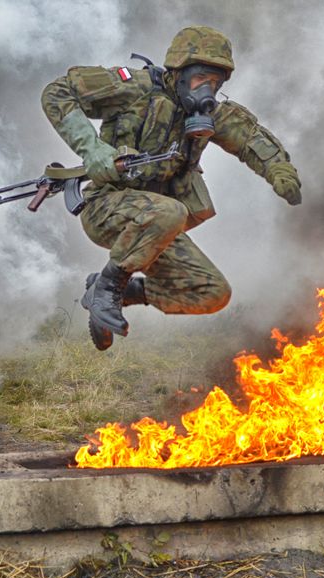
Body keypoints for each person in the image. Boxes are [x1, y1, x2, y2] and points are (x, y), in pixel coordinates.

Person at [41, 25, 302, 350]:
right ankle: (108, 287)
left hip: (156, 231)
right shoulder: (134, 88)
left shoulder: (207, 115)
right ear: (179, 72)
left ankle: (124, 291)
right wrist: (93, 150)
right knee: (171, 211)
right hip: (106, 208)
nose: (207, 89)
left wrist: (281, 172)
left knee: (212, 293)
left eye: (215, 83)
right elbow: (57, 93)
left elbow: (251, 139)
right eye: (200, 80)